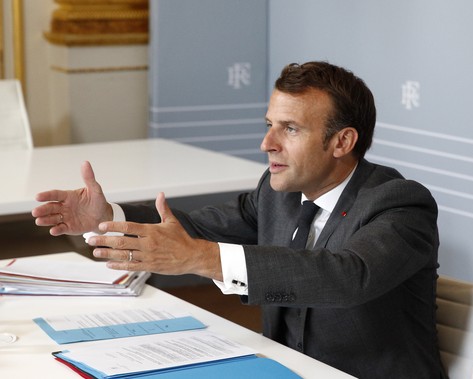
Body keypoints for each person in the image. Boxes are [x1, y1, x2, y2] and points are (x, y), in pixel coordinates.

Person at [32, 61, 446, 378]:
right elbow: (196, 229)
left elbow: (347, 276)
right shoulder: (277, 192)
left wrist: (200, 259)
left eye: (290, 129)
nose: (267, 143)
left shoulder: (400, 205)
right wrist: (107, 216)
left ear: (342, 141)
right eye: (270, 125)